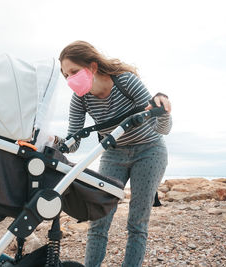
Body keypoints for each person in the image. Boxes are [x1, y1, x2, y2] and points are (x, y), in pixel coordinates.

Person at [56, 41, 172, 267]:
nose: (70, 79)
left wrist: (164, 108)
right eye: (66, 75)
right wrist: (54, 141)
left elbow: (162, 128)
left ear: (92, 66)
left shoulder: (125, 81)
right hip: (114, 153)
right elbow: (73, 141)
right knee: (98, 220)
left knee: (137, 222)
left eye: (74, 72)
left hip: (149, 151)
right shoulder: (80, 99)